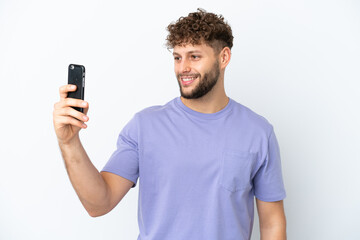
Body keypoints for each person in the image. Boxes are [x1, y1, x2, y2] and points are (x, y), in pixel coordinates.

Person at [53, 8, 286, 240]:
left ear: (223, 57)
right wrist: (69, 142)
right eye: (177, 57)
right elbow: (99, 204)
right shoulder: (144, 127)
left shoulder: (258, 133)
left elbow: (272, 225)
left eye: (194, 56)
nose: (183, 67)